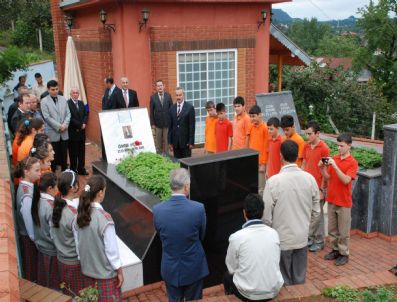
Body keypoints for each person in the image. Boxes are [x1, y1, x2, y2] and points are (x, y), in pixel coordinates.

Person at [263, 140, 320, 285]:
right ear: (297, 156)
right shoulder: (310, 179)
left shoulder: (273, 182)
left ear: (281, 156)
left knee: (283, 282)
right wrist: (308, 231)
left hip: (281, 239)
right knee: (300, 281)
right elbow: (316, 212)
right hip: (302, 238)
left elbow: (266, 216)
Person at [153, 168, 208, 302]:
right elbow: (202, 235)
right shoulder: (198, 209)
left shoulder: (158, 210)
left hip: (170, 268)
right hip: (194, 267)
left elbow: (161, 235)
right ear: (186, 186)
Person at [224, 193, 284, 301]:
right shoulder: (274, 233)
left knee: (227, 276)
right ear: (262, 212)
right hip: (273, 290)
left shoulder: (236, 237)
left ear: (244, 213)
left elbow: (231, 267)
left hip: (248, 294)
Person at [75, 175, 124, 301]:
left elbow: (78, 244)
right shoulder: (105, 219)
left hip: (87, 272)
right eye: (105, 190)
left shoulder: (80, 215)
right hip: (105, 276)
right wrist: (119, 270)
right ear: (100, 193)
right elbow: (112, 251)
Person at [320, 133, 358, 266]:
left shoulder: (352, 162)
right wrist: (321, 168)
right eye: (338, 145)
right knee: (332, 229)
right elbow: (328, 177)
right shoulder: (334, 158)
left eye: (342, 146)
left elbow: (346, 180)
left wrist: (335, 166)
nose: (339, 148)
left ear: (349, 146)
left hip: (344, 202)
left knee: (343, 231)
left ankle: (344, 253)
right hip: (332, 199)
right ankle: (335, 250)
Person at [50, 170, 86, 296]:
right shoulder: (73, 215)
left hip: (61, 259)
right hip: (74, 263)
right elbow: (79, 243)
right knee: (78, 295)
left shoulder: (56, 206)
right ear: (72, 187)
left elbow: (52, 233)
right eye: (77, 183)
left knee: (67, 294)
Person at [302, 121, 330, 253]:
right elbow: (304, 163)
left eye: (310, 134)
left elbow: (325, 171)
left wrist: (322, 189)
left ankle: (319, 241)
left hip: (318, 187)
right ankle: (311, 238)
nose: (308, 136)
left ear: (317, 133)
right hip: (306, 186)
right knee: (309, 214)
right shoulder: (306, 146)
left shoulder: (324, 149)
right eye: (306, 134)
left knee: (318, 216)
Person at [14, 156, 41, 281]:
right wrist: (35, 240)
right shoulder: (26, 195)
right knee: (33, 271)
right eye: (36, 170)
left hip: (28, 236)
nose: (40, 173)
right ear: (26, 171)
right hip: (29, 238)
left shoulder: (26, 187)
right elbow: (28, 222)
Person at [32, 173, 60, 289]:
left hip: (42, 248)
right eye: (56, 186)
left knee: (45, 283)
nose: (58, 189)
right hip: (51, 251)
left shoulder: (37, 200)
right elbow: (54, 234)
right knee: (54, 286)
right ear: (50, 188)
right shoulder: (51, 207)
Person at [40, 80, 71, 172]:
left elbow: (68, 113)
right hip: (53, 133)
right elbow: (47, 117)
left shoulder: (63, 98)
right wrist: (59, 126)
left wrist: (65, 125)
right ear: (48, 90)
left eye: (57, 89)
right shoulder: (44, 101)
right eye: (53, 89)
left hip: (64, 132)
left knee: (64, 154)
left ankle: (65, 171)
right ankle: (52, 173)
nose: (55, 91)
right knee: (53, 155)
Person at [168, 87, 195, 159]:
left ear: (183, 95)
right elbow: (170, 126)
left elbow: (192, 126)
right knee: (177, 163)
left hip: (186, 142)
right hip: (175, 142)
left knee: (186, 163)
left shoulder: (190, 108)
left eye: (180, 95)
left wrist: (191, 141)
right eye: (177, 95)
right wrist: (170, 142)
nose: (178, 97)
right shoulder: (171, 108)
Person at [67, 87, 88, 175]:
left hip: (81, 133)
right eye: (74, 93)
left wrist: (84, 123)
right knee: (73, 153)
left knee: (81, 152)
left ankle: (81, 169)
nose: (75, 94)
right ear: (70, 94)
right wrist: (80, 125)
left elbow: (85, 114)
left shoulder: (81, 103)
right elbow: (70, 118)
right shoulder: (67, 104)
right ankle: (73, 169)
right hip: (73, 133)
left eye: (77, 93)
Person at [248, 105, 268, 194]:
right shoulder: (252, 127)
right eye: (250, 116)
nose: (252, 119)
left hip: (261, 162)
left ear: (260, 115)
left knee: (261, 188)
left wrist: (263, 163)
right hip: (253, 160)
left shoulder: (265, 128)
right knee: (253, 185)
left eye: (254, 116)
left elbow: (266, 147)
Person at [150, 80, 172, 155]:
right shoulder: (153, 97)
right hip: (157, 124)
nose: (160, 87)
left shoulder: (168, 96)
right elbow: (151, 112)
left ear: (164, 86)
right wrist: (152, 123)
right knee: (158, 142)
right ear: (156, 87)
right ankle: (159, 157)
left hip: (167, 123)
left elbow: (171, 109)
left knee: (166, 141)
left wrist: (171, 122)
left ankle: (167, 157)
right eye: (158, 86)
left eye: (161, 85)